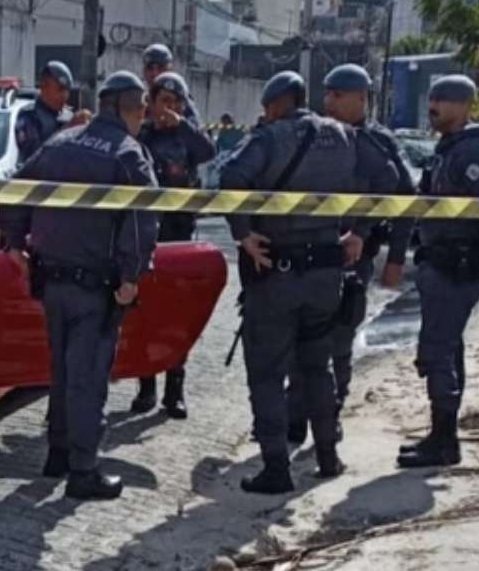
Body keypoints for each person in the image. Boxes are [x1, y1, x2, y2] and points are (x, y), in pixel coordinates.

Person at [217, 70, 398, 493]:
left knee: (265, 372)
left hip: (276, 274)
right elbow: (388, 178)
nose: (265, 114)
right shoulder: (343, 136)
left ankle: (276, 469)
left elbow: (230, 179)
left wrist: (243, 234)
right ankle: (328, 457)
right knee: (317, 366)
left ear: (279, 103)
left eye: (267, 107)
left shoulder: (269, 138)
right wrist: (358, 231)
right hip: (326, 275)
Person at [0, 70, 158, 501]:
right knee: (87, 378)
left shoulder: (61, 142)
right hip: (94, 286)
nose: (145, 114)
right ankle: (83, 471)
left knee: (62, 371)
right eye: (142, 106)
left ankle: (57, 453)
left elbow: (16, 189)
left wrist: (13, 241)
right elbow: (142, 220)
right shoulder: (128, 154)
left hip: (51, 281)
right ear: (125, 106)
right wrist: (131, 276)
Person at [286, 64, 416, 446]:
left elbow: (403, 197)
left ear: (362, 98)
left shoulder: (378, 143)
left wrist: (393, 258)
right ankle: (295, 417)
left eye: (338, 95)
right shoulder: (315, 134)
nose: (329, 101)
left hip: (351, 258)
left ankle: (331, 415)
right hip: (307, 251)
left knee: (339, 341)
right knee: (299, 338)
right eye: (327, 93)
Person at [398, 75, 479, 469]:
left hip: (456, 266)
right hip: (440, 262)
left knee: (437, 352)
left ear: (464, 106)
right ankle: (442, 436)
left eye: (441, 100)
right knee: (447, 349)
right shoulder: (448, 149)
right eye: (431, 98)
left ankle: (443, 442)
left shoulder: (472, 152)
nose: (433, 106)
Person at [130, 72, 216, 419]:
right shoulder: (142, 135)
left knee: (178, 315)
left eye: (175, 101)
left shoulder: (189, 136)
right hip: (146, 236)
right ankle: (146, 387)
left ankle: (174, 391)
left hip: (179, 235)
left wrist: (183, 125)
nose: (168, 108)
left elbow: (208, 151)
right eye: (162, 100)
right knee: (144, 313)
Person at [15, 61, 92, 163]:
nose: (64, 95)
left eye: (67, 90)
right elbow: (34, 156)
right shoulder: (29, 116)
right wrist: (68, 128)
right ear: (44, 85)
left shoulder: (69, 115)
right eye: (60, 89)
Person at [141, 44, 199, 122]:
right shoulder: (141, 100)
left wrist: (179, 123)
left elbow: (195, 127)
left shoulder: (180, 97)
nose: (155, 73)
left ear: (169, 70)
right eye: (150, 68)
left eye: (160, 68)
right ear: (144, 71)